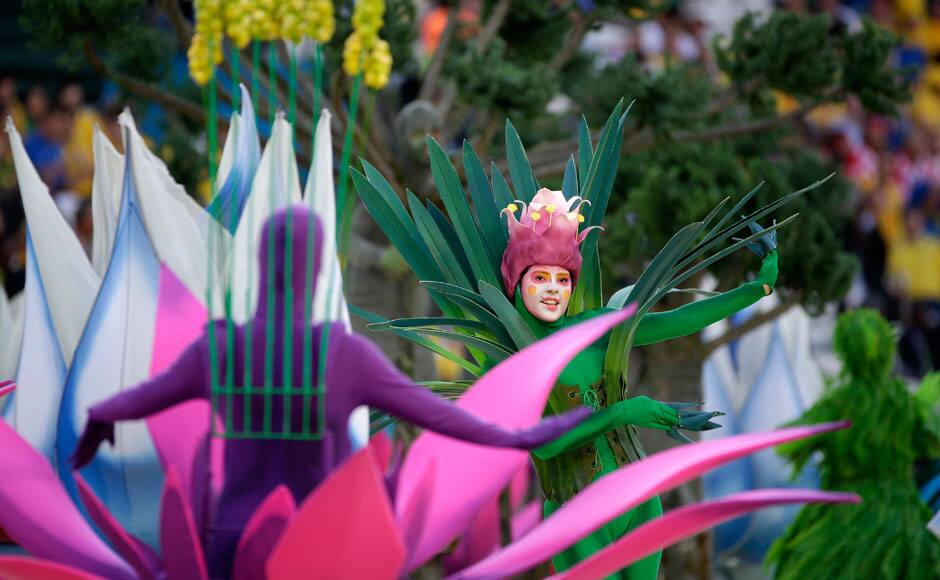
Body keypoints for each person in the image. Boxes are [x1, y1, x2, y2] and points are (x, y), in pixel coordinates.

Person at [71, 205, 590, 578]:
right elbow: (447, 419)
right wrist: (528, 433)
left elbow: (138, 399)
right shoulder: (345, 355)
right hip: (322, 552)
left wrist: (100, 417)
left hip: (232, 543)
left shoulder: (221, 349)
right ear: (318, 270)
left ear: (260, 265)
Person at [499, 188, 779, 579]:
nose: (553, 289)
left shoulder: (591, 328)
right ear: (517, 278)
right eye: (540, 277)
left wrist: (757, 289)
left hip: (641, 500)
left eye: (562, 279)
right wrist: (624, 412)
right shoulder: (513, 357)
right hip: (579, 512)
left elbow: (677, 321)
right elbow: (544, 448)